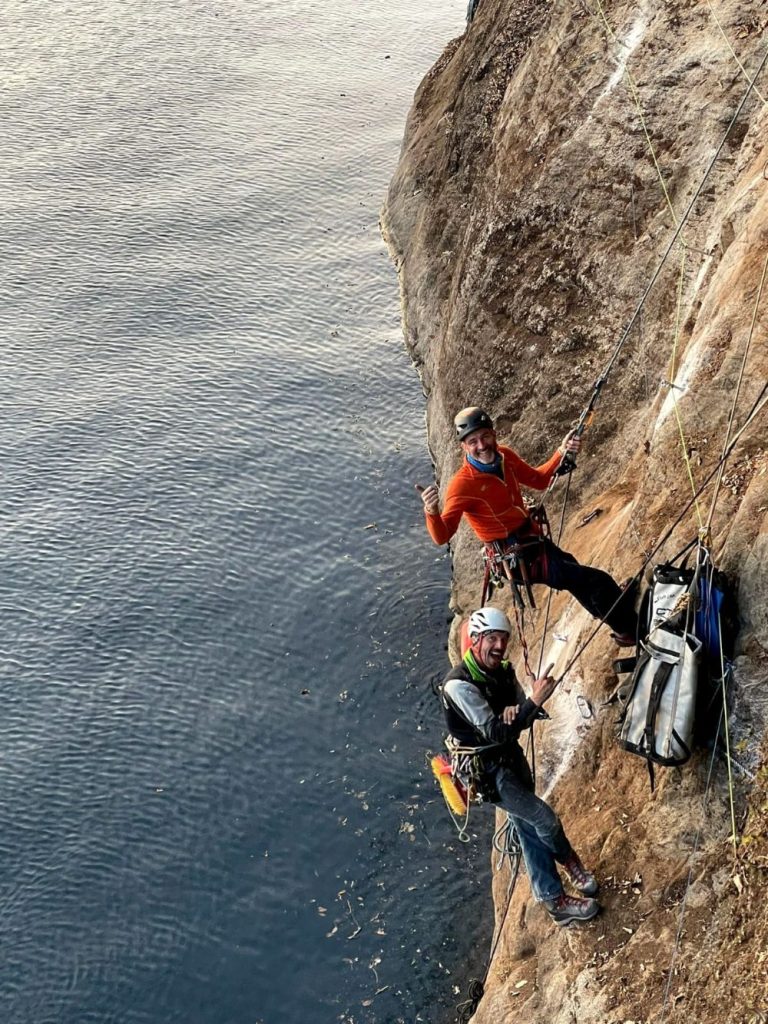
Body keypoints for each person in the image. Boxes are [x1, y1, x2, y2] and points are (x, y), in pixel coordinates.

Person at [419, 406, 637, 644]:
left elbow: (539, 479)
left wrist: (561, 452)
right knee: (596, 581)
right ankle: (627, 630)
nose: (481, 446)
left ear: (493, 434)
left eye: (485, 437)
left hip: (531, 541)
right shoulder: (462, 486)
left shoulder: (506, 457)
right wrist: (431, 512)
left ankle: (616, 610)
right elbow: (442, 536)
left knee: (575, 573)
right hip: (515, 556)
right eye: (473, 441)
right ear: (464, 447)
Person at [441, 606, 600, 926]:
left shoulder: (502, 670)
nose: (499, 646)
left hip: (509, 758)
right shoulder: (457, 686)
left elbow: (517, 720)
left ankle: (552, 895)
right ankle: (567, 869)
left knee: (528, 829)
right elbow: (498, 730)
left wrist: (524, 710)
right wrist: (531, 703)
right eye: (492, 639)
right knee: (545, 820)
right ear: (474, 640)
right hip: (490, 774)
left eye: (503, 639)